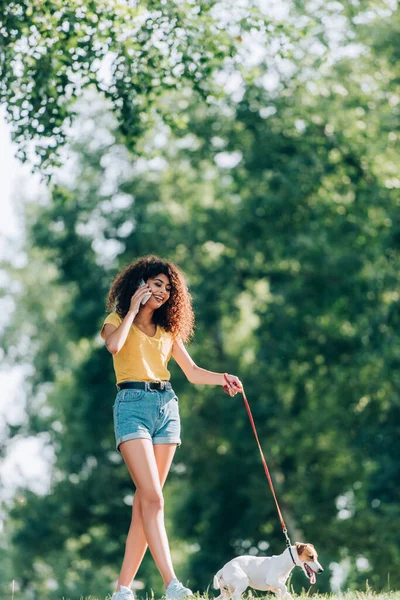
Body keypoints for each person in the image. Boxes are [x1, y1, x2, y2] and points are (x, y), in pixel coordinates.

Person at [100, 254, 243, 600]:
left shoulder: (167, 331)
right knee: (154, 498)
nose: (163, 292)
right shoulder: (116, 320)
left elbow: (192, 372)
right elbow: (114, 346)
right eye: (156, 284)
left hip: (167, 409)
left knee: (145, 503)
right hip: (131, 406)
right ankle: (171, 584)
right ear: (138, 284)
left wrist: (223, 378)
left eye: (168, 287)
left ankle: (122, 590)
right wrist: (133, 309)